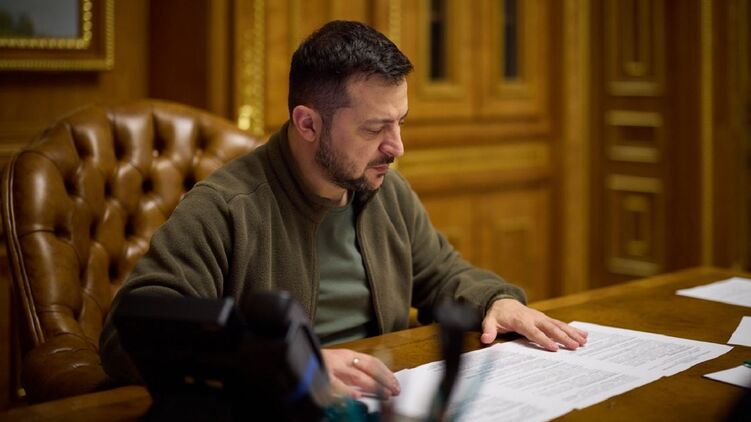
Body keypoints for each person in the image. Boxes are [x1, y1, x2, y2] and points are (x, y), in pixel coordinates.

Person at [100, 20, 587, 400]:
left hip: (382, 397)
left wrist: (495, 300)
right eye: (375, 129)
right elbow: (128, 335)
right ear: (307, 124)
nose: (396, 147)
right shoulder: (227, 207)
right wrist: (287, 362)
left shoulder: (385, 190)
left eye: (400, 123)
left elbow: (442, 274)